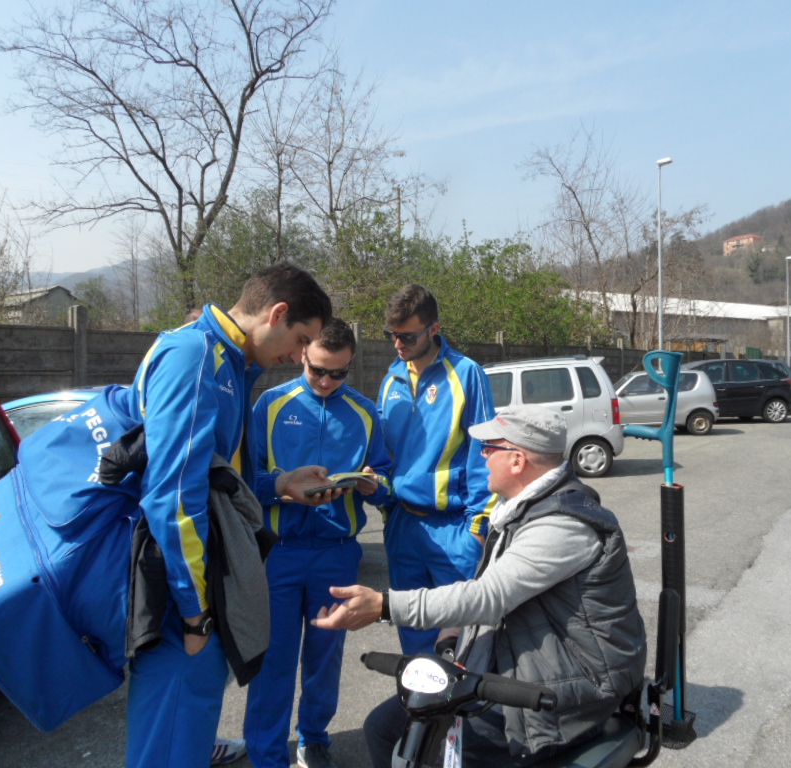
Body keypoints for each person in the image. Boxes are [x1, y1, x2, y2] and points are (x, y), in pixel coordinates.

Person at [15, 263, 336, 768]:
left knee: (186, 735)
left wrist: (279, 484)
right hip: (182, 593)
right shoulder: (195, 357)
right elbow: (173, 497)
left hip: (196, 582)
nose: (299, 357)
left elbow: (212, 480)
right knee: (170, 742)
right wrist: (196, 612)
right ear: (276, 313)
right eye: (300, 340)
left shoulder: (228, 361)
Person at [313, 405, 647, 768]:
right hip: (527, 659)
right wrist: (457, 635)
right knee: (384, 727)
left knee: (441, 749)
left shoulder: (562, 524)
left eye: (490, 448)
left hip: (573, 684)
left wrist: (383, 606)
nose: (482, 456)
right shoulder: (523, 506)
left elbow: (489, 598)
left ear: (518, 461)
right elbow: (489, 589)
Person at [244, 318, 393, 768]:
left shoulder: (365, 413)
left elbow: (385, 476)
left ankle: (314, 739)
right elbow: (244, 480)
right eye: (318, 371)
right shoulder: (269, 405)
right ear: (302, 355)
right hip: (279, 553)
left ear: (351, 365)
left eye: (339, 373)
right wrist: (282, 486)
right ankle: (268, 755)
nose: (327, 382)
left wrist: (374, 486)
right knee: (273, 661)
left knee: (325, 658)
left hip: (336, 554)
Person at [377, 284, 498, 654]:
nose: (398, 344)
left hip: (455, 529)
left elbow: (485, 453)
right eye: (392, 335)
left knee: (460, 646)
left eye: (407, 336)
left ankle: (461, 714)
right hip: (403, 527)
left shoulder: (466, 373)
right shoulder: (391, 378)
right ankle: (422, 713)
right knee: (414, 638)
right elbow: (386, 454)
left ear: (434, 329)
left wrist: (477, 531)